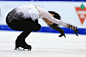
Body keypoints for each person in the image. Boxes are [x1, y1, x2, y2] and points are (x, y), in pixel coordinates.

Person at [6, 4, 80, 51]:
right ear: (52, 15)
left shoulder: (38, 11)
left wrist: (59, 29)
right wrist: (73, 28)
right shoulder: (44, 13)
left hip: (10, 19)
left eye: (49, 22)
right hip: (13, 21)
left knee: (34, 24)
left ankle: (20, 42)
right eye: (50, 21)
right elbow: (59, 22)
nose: (47, 22)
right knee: (36, 26)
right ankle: (20, 42)